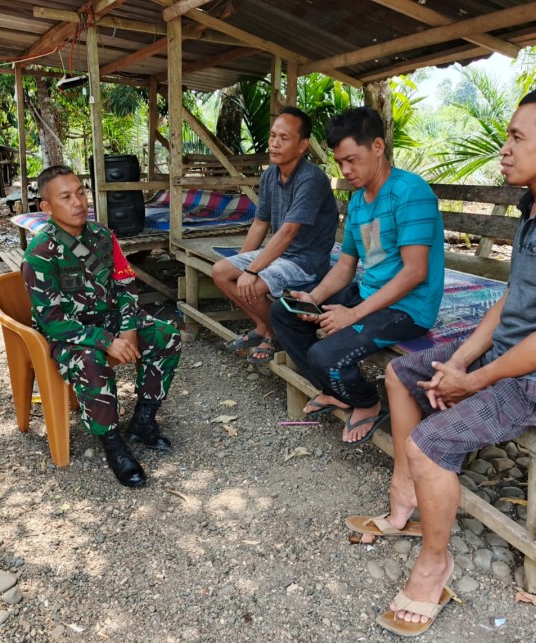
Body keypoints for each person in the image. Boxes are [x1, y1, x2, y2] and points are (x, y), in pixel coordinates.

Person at [368, 87, 536, 637]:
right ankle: (406, 492)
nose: (505, 148)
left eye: (517, 137)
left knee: (430, 442)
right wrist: (462, 362)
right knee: (401, 373)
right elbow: (512, 298)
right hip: (512, 353)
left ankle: (435, 564)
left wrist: (475, 382)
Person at [270, 106, 445, 445]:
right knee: (284, 311)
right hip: (370, 295)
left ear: (378, 146)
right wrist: (313, 298)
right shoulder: (358, 202)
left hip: (408, 308)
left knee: (324, 355)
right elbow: (345, 265)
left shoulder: (411, 193)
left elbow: (415, 272)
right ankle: (334, 390)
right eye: (340, 163)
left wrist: (353, 315)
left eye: (352, 160)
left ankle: (366, 402)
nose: (346, 170)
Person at [22, 165, 182, 488]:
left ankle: (143, 420)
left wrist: (128, 328)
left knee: (166, 335)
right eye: (66, 197)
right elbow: (52, 322)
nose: (78, 202)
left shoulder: (103, 236)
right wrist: (107, 341)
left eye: (80, 192)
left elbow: (125, 285)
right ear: (47, 207)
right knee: (91, 362)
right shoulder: (39, 254)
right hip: (70, 334)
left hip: (109, 320)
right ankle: (112, 442)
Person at [213, 106, 339, 364]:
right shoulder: (271, 174)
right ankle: (264, 327)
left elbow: (289, 231)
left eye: (284, 138)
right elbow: (260, 223)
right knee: (221, 271)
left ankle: (274, 333)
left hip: (306, 261)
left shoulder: (311, 178)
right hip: (281, 253)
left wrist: (251, 271)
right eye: (272, 136)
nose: (274, 143)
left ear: (302, 145)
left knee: (253, 287)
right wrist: (241, 263)